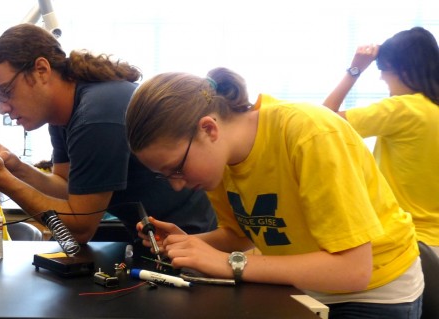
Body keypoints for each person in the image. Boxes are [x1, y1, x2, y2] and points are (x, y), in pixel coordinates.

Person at [125, 68, 423, 318]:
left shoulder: (309, 134)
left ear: (209, 129)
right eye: (165, 176)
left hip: (371, 292)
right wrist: (191, 244)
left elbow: (353, 269)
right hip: (300, 285)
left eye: (176, 167)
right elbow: (241, 233)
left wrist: (228, 263)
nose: (177, 184)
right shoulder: (221, 162)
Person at [0, 23, 217, 244]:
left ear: (41, 70)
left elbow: (78, 229)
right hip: (153, 239)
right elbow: (67, 189)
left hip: (192, 240)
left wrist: (1, 179)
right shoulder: (61, 115)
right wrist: (15, 168)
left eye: (6, 92)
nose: (3, 108)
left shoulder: (96, 116)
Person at [323, 26, 439, 256]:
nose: (381, 76)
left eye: (383, 69)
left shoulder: (403, 109)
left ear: (403, 71)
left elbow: (322, 120)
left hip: (411, 243)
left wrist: (355, 69)